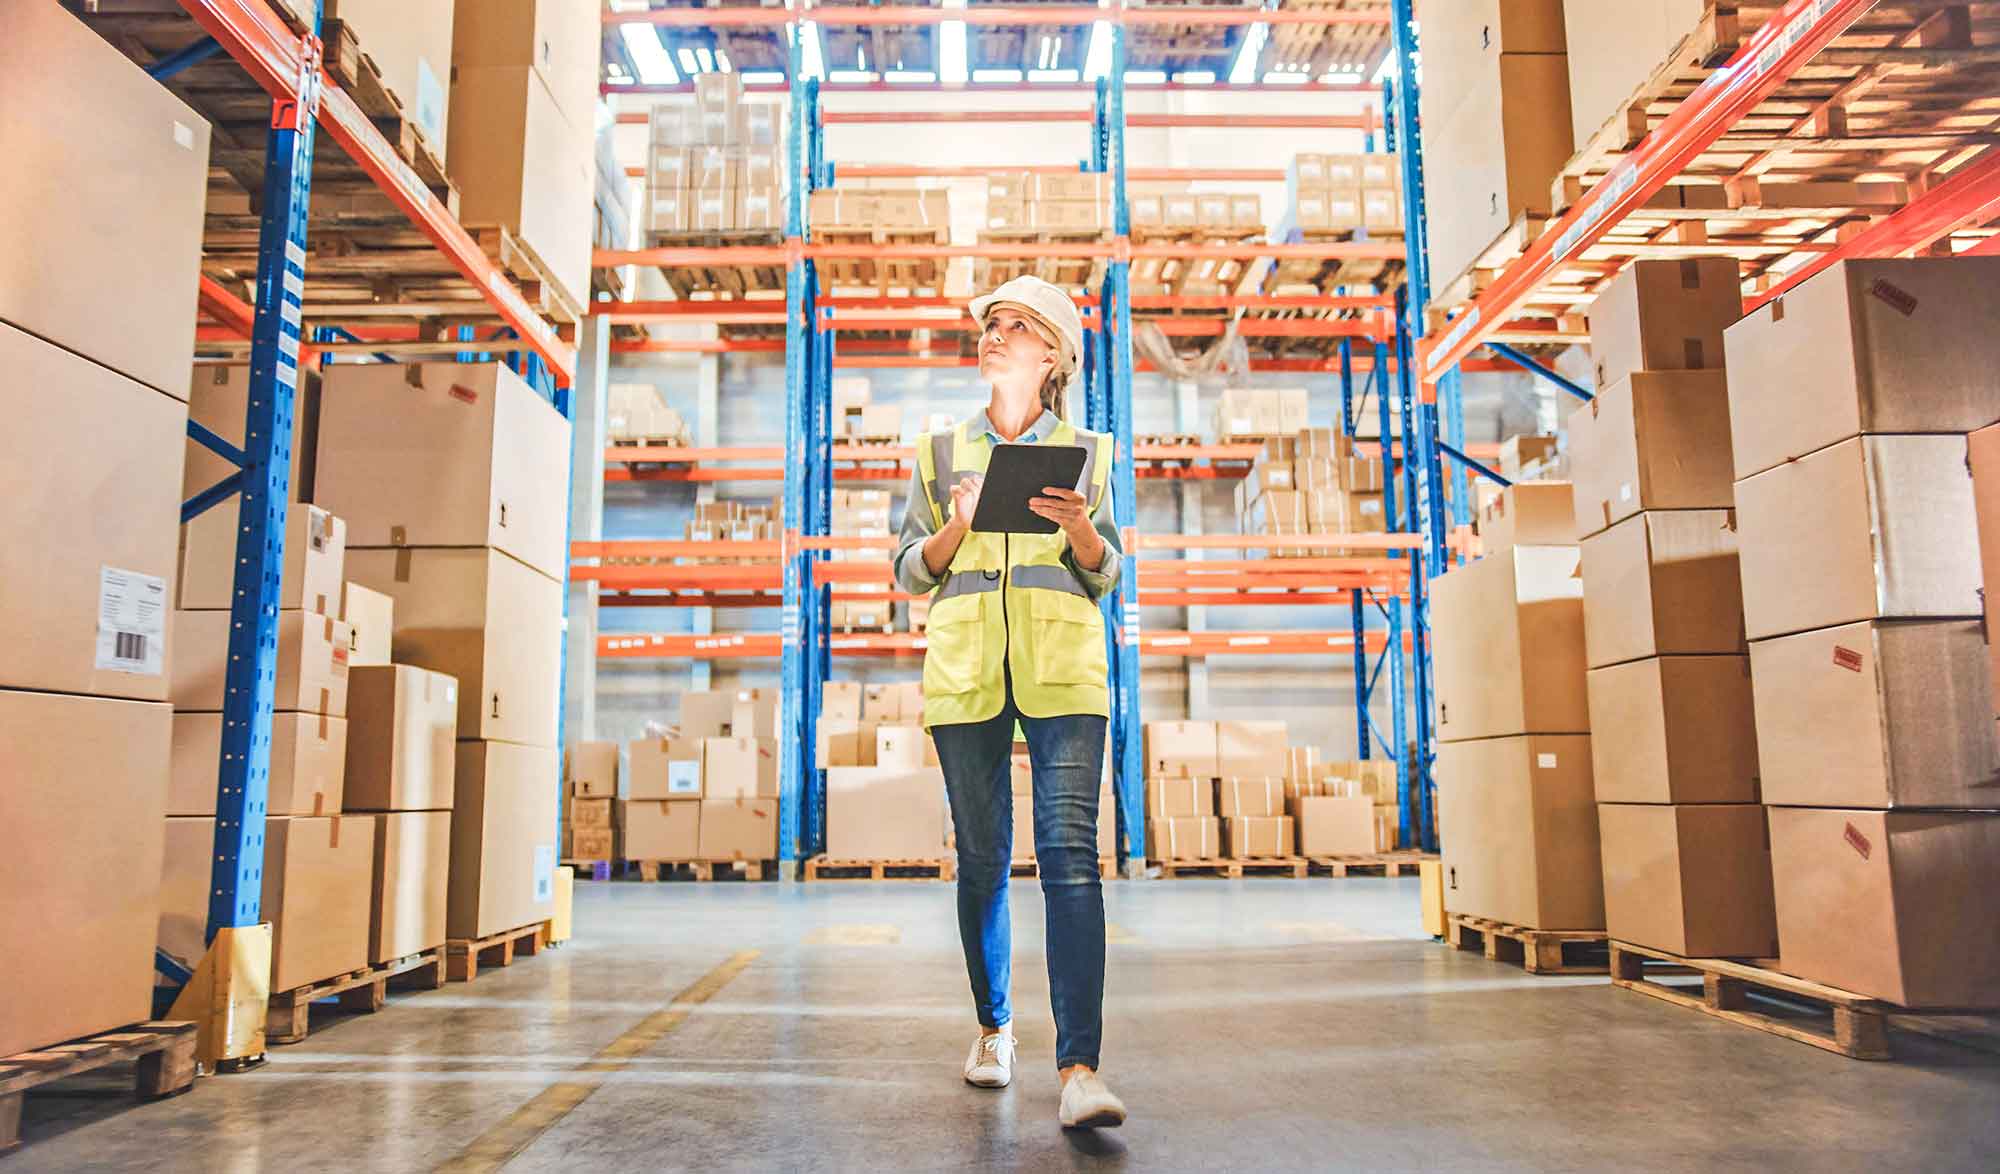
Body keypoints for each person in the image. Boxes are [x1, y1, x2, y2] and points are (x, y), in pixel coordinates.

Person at [893, 275, 1129, 1130]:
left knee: (1070, 856)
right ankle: (994, 1032)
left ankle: (1080, 1070)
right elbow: (906, 570)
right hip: (966, 675)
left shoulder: (1090, 452)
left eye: (1016, 325)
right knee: (986, 859)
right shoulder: (937, 450)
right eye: (990, 324)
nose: (994, 334)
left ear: (1052, 354)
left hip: (1063, 669)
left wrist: (1079, 529)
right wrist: (953, 530)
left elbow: (1107, 573)